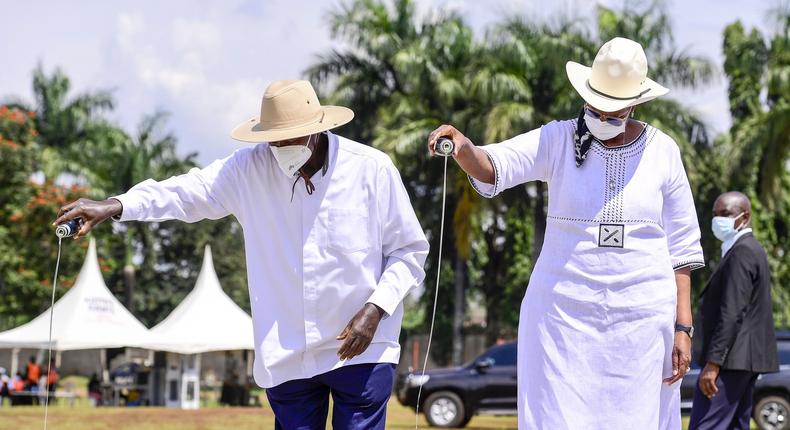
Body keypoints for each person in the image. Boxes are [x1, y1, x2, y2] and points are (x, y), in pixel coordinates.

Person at [55, 79, 429, 429]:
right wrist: (117, 204)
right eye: (274, 141)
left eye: (290, 138)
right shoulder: (248, 169)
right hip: (288, 352)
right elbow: (186, 192)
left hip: (361, 347)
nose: (281, 149)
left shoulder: (371, 170)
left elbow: (409, 251)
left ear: (317, 129)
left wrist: (376, 309)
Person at [428, 37, 704, 429]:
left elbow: (683, 248)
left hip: (642, 326)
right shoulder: (557, 139)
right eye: (596, 106)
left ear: (635, 103)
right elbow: (495, 166)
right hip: (561, 321)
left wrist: (683, 327)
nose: (602, 115)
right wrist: (463, 148)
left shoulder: (664, 151)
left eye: (613, 111)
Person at [689, 191, 778, 430]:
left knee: (705, 425)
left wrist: (713, 363)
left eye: (725, 214)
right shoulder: (747, 249)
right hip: (742, 360)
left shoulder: (742, 252)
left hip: (731, 360)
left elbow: (732, 312)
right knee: (736, 425)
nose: (718, 220)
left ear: (745, 217)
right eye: (715, 214)